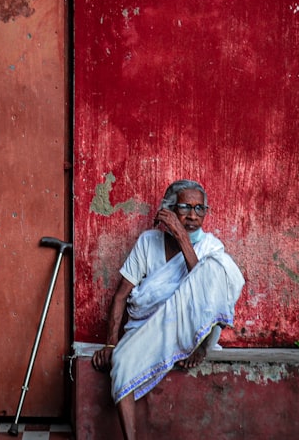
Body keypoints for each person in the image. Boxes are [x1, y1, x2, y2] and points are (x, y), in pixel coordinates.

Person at [91, 179, 245, 440]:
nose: (193, 216)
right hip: (145, 328)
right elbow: (120, 297)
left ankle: (199, 347)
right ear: (169, 210)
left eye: (200, 209)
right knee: (120, 362)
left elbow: (208, 292)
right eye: (185, 208)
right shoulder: (148, 242)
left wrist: (183, 238)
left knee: (218, 269)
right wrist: (109, 344)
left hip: (188, 329)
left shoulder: (211, 248)